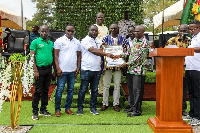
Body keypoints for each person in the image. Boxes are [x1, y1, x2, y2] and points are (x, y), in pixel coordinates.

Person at [77, 25, 114, 116]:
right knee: (83, 90)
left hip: (97, 69)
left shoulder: (97, 40)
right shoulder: (85, 40)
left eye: (96, 31)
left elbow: (99, 49)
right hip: (86, 69)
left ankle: (92, 108)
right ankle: (80, 109)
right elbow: (93, 50)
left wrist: (103, 47)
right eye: (92, 30)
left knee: (94, 90)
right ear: (88, 30)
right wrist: (106, 53)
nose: (94, 32)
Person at [115, 25, 150, 117]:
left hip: (138, 70)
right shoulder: (134, 40)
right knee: (131, 89)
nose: (136, 33)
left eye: (138, 31)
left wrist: (126, 64)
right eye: (135, 31)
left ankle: (137, 110)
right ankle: (131, 106)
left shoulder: (145, 42)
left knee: (137, 90)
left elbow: (138, 58)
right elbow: (130, 51)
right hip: (131, 70)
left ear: (143, 32)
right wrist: (120, 55)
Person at [100, 23, 129, 112]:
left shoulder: (123, 39)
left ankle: (115, 104)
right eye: (112, 28)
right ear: (110, 29)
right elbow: (101, 51)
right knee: (106, 85)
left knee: (117, 85)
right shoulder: (105, 39)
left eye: (115, 28)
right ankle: (104, 103)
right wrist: (103, 46)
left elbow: (128, 50)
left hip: (118, 65)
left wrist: (122, 57)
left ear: (118, 29)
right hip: (108, 65)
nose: (113, 30)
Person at [54, 24, 81, 117]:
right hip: (62, 70)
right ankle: (57, 109)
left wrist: (78, 67)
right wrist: (57, 68)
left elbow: (78, 55)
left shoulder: (77, 42)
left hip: (72, 70)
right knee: (60, 90)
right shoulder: (59, 41)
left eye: (72, 31)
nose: (70, 33)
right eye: (68, 31)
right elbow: (56, 55)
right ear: (65, 31)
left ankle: (67, 108)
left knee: (71, 90)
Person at [30, 25, 55, 120]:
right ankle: (35, 112)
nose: (44, 33)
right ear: (40, 31)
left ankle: (43, 109)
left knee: (45, 90)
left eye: (46, 31)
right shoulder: (35, 42)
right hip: (39, 70)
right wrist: (35, 70)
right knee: (37, 91)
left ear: (48, 32)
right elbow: (32, 58)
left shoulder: (51, 43)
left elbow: (52, 57)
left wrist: (54, 71)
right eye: (42, 31)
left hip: (48, 69)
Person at [165, 24, 190, 116]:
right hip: (173, 70)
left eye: (185, 30)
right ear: (178, 31)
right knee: (172, 91)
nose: (183, 32)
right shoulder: (172, 40)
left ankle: (183, 110)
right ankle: (172, 108)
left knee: (183, 91)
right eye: (181, 30)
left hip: (185, 71)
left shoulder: (189, 41)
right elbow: (165, 54)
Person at [183, 20, 200, 126]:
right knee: (191, 93)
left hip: (197, 69)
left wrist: (189, 50)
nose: (191, 31)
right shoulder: (193, 38)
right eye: (190, 29)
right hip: (189, 68)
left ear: (199, 28)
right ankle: (192, 113)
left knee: (197, 94)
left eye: (193, 29)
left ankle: (198, 117)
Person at [94, 12, 109, 96]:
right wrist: (101, 44)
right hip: (96, 52)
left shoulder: (106, 28)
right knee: (95, 70)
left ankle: (101, 90)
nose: (100, 18)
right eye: (99, 17)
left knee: (103, 70)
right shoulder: (93, 27)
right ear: (96, 18)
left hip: (104, 52)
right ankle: (93, 90)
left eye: (102, 17)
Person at [123, 25, 135, 111]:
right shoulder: (126, 41)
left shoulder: (139, 41)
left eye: (132, 31)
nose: (130, 33)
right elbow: (124, 53)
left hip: (136, 67)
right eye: (129, 31)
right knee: (130, 86)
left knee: (136, 87)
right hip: (127, 66)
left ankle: (136, 105)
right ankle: (130, 104)